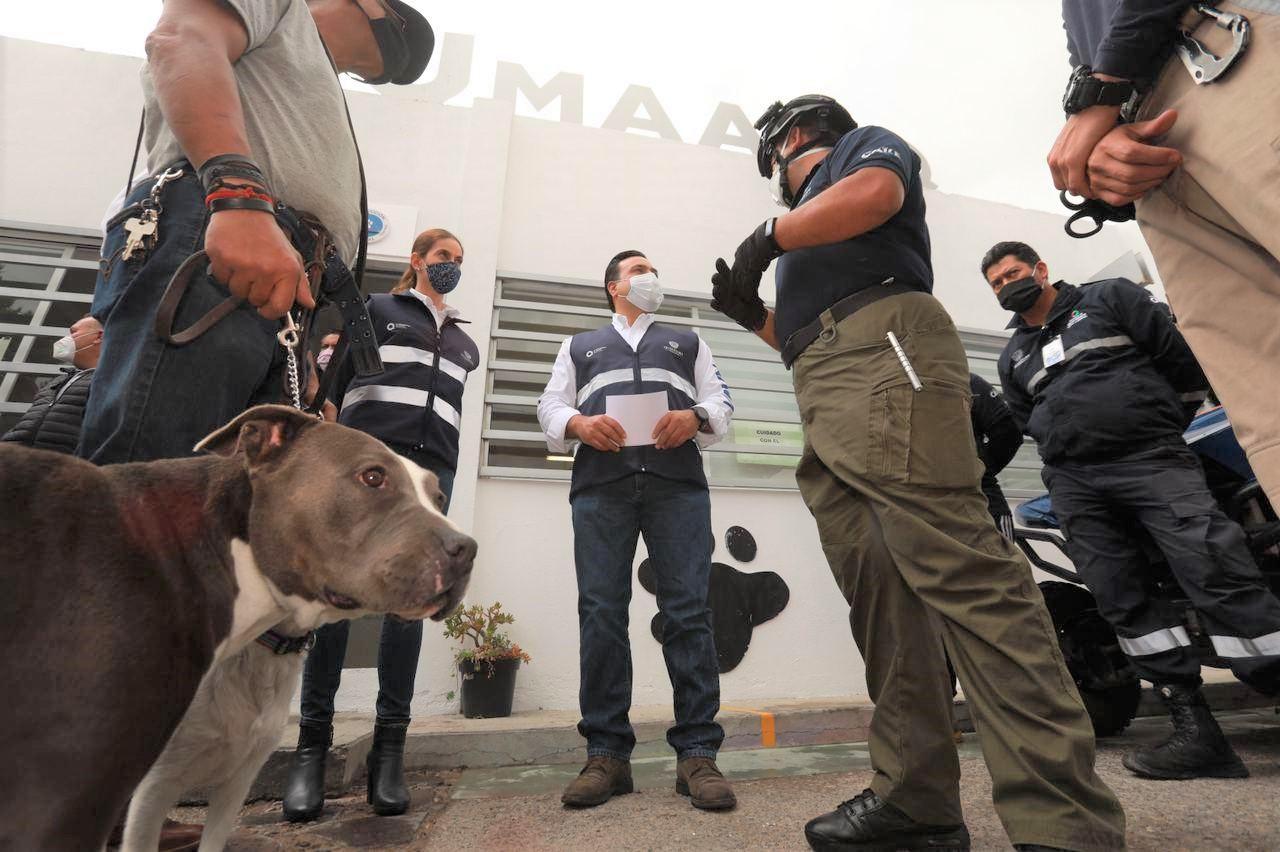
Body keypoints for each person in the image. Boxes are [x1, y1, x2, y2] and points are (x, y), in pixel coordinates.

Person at [711, 94, 1125, 851]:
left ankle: (1063, 822)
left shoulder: (856, 152)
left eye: (773, 158)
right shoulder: (813, 229)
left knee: (965, 574)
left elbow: (879, 194)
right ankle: (916, 802)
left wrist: (770, 236)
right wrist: (753, 316)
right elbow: (810, 338)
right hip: (828, 375)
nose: (776, 177)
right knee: (884, 599)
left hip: (885, 353)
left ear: (792, 138)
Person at [78, 0, 435, 465]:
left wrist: (298, 348)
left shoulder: (297, 61)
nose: (368, 76)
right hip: (223, 238)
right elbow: (182, 39)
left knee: (227, 498)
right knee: (158, 473)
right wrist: (236, 195)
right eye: (375, 67)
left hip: (274, 279)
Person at [983, 239, 1280, 780]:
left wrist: (1160, 423)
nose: (1008, 285)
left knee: (1214, 563)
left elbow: (1183, 363)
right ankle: (1196, 733)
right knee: (1121, 595)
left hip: (1151, 459)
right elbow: (1028, 418)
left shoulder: (1108, 300)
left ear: (1040, 269)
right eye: (998, 283)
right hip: (1077, 484)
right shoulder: (1014, 356)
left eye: (1013, 273)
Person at [1047, 1, 1280, 512]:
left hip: (1232, 43)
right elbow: (1087, 49)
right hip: (1145, 129)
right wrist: (1102, 147)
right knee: (1268, 412)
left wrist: (1100, 95)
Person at [282, 228, 479, 821]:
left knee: (411, 602)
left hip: (430, 475)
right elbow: (331, 387)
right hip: (370, 471)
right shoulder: (377, 310)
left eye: (460, 261)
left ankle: (389, 750)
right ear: (418, 261)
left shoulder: (466, 343)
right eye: (444, 257)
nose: (452, 267)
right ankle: (311, 749)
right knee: (339, 597)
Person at [537, 250, 737, 812]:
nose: (651, 277)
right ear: (613, 286)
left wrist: (694, 417)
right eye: (639, 270)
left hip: (678, 488)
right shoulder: (580, 346)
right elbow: (549, 407)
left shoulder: (688, 341)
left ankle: (697, 753)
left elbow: (721, 401)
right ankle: (606, 755)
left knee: (689, 612)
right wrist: (577, 422)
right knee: (601, 612)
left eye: (654, 269)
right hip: (602, 488)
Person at [2, 315, 102, 451]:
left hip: (59, 468)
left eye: (74, 332)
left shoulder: (110, 383)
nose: (65, 339)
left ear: (98, 337)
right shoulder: (57, 382)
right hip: (15, 463)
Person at [969, 372, 1023, 540]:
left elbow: (1008, 433)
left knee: (1001, 563)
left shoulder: (967, 381)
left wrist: (981, 468)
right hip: (919, 505)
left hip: (981, 497)